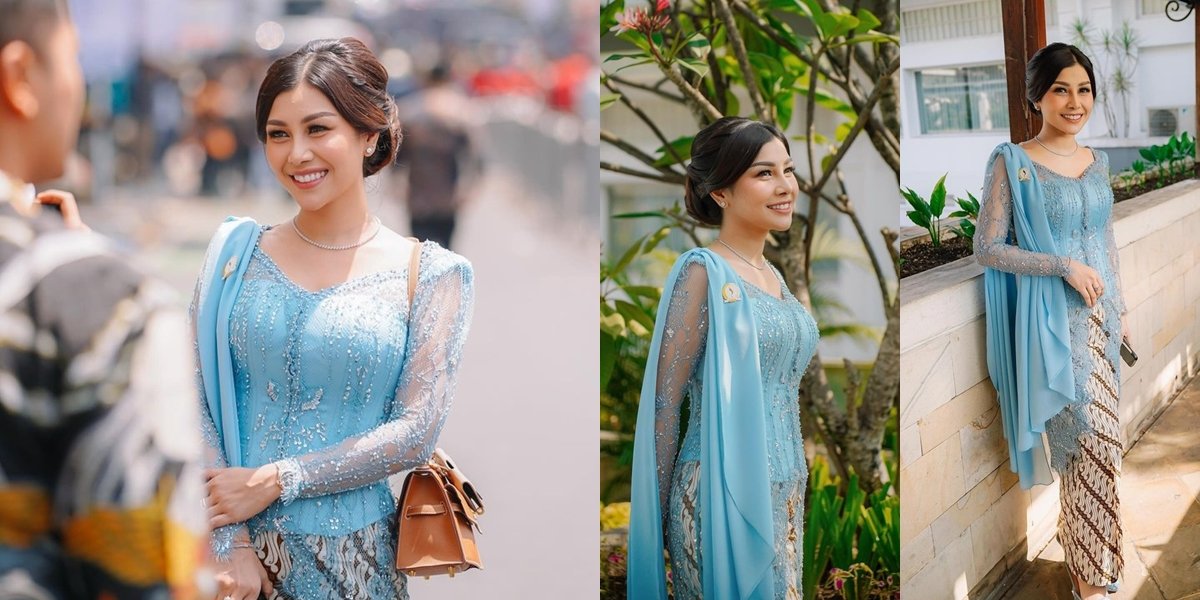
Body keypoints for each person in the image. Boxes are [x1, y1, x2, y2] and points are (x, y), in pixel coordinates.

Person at [192, 38, 474, 600]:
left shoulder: (433, 274)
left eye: (318, 130)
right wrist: (233, 547)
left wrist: (277, 479)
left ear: (370, 135)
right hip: (233, 572)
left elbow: (414, 434)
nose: (297, 154)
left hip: (355, 564)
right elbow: (192, 393)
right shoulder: (232, 256)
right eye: (278, 134)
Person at [0, 0, 207, 597]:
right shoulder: (99, 299)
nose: (78, 86)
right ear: (19, 77)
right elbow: (145, 575)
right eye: (72, 60)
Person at [626, 117, 820, 599]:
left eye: (788, 170)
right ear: (720, 193)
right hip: (716, 494)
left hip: (786, 494)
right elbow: (665, 405)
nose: (785, 187)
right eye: (763, 174)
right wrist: (661, 520)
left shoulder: (773, 274)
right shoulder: (702, 273)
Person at [974, 43, 1125, 600]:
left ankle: (1094, 563)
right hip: (1050, 331)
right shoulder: (1011, 162)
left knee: (1105, 451)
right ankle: (1088, 580)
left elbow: (1107, 241)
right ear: (1035, 95)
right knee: (1086, 446)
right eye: (1061, 88)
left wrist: (1121, 313)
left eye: (1083, 89)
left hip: (1100, 330)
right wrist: (1061, 265)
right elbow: (987, 248)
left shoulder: (1098, 161)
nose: (1074, 101)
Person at [395, 64, 481, 249]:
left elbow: (398, 157)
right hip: (448, 196)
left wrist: (397, 185)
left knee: (421, 253)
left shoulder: (411, 110)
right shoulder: (461, 111)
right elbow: (475, 157)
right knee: (447, 252)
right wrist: (469, 187)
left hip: (418, 195)